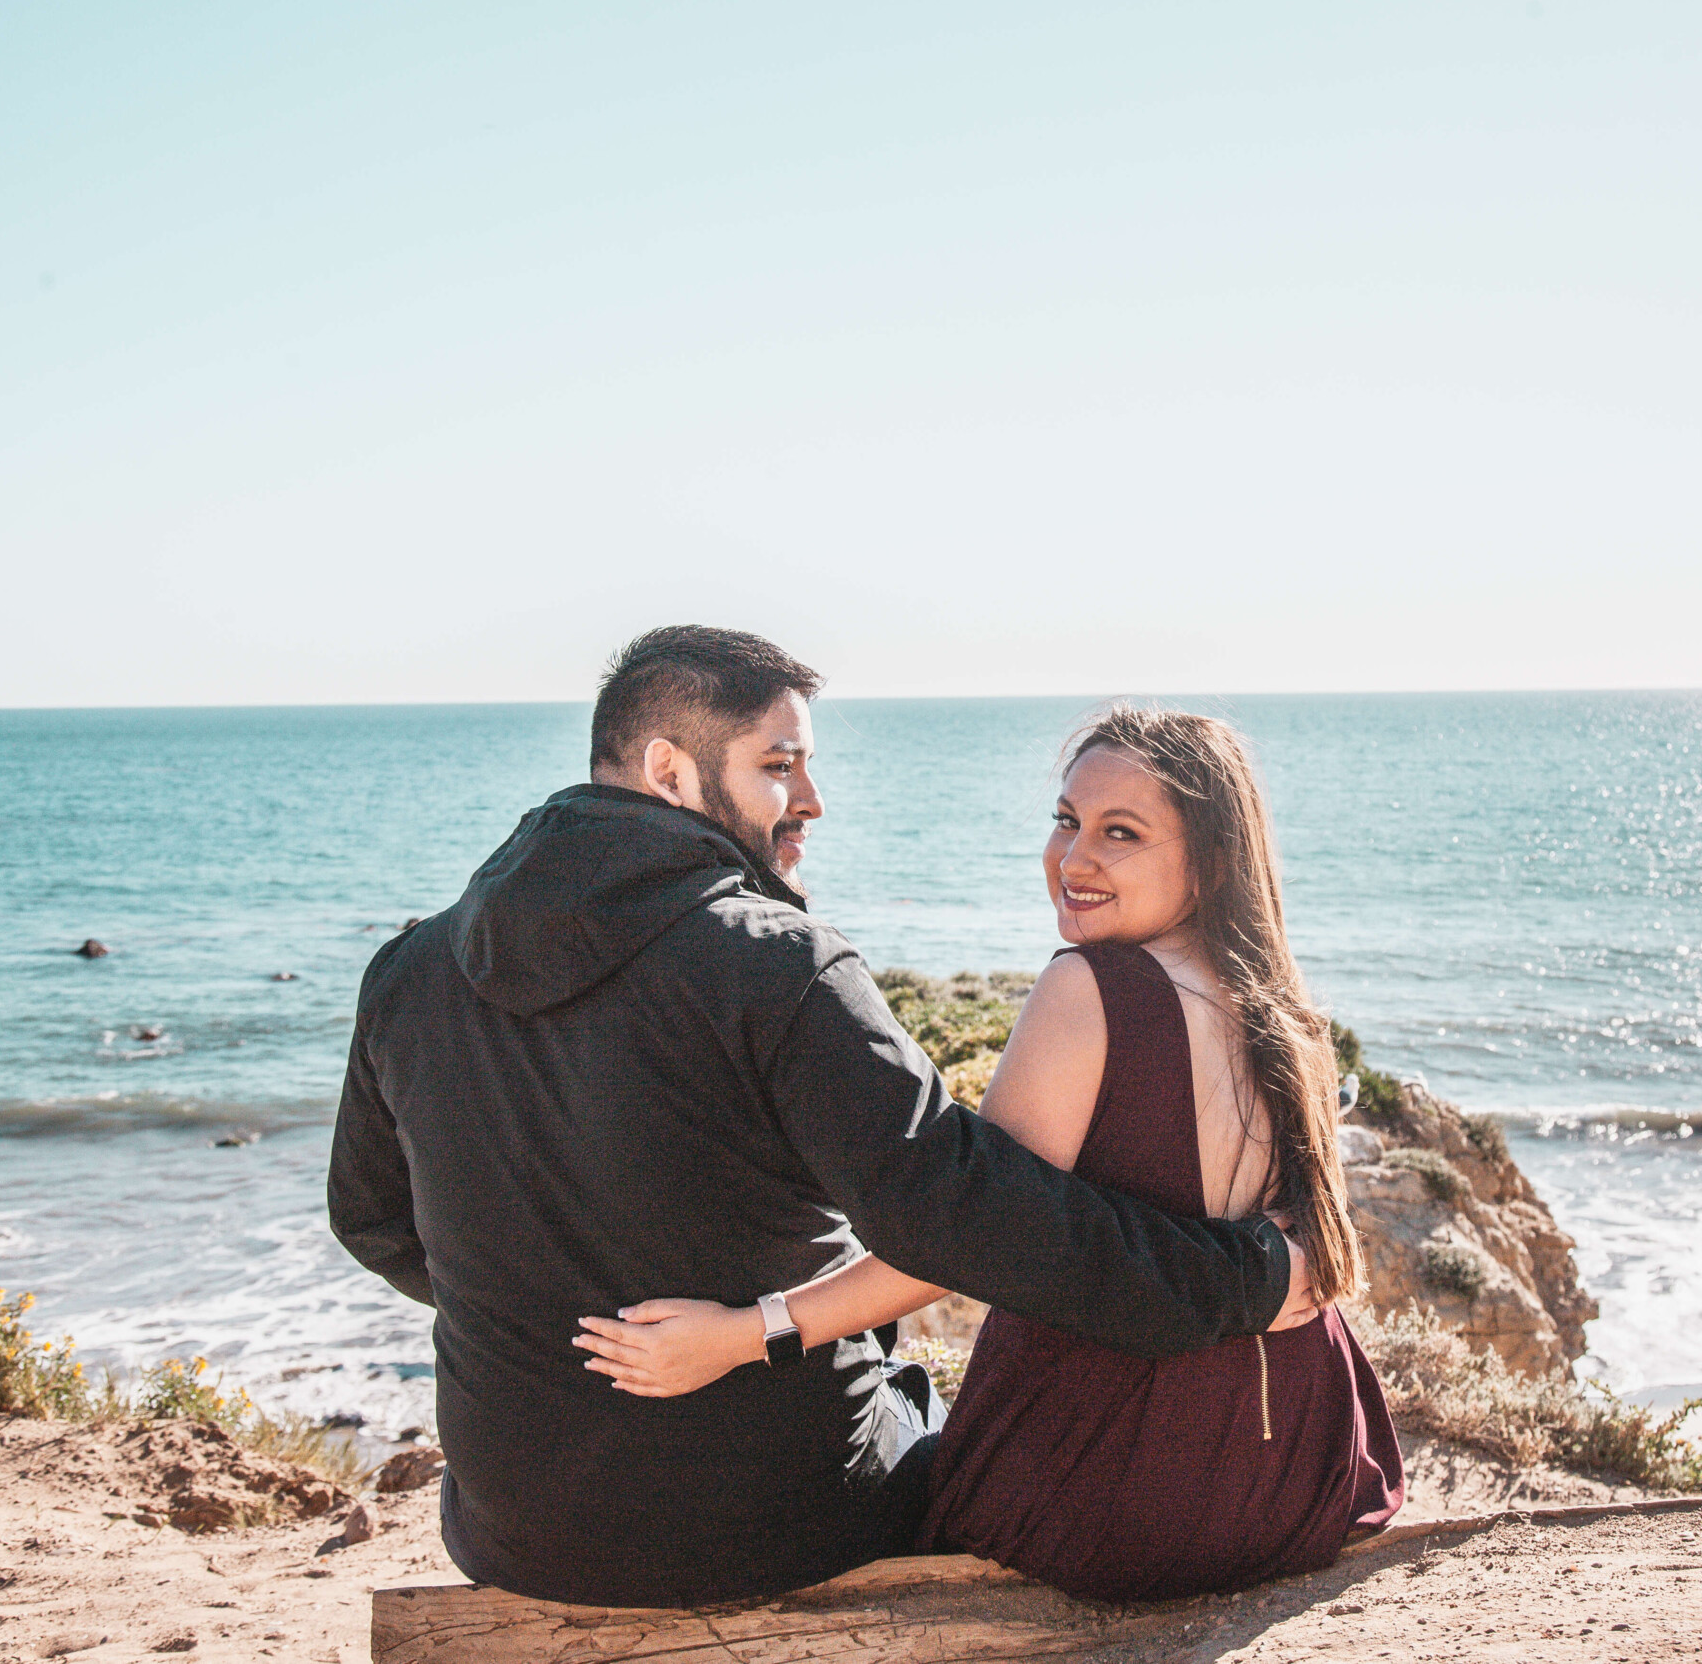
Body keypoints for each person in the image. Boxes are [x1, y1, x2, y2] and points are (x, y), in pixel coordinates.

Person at [329, 627, 1314, 1610]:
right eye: (778, 765)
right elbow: (963, 1219)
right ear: (668, 769)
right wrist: (1247, 1276)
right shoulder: (779, 964)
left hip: (512, 1530)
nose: (810, 799)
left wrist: (545, 1310)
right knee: (926, 1413)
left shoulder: (408, 970)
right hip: (774, 1523)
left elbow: (372, 1222)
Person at [580, 705, 1403, 1602]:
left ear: (1208, 862)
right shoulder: (1284, 1010)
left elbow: (957, 1241)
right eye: (1066, 819)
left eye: (1119, 832)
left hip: (1126, 1501)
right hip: (1308, 1476)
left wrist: (745, 1334)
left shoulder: (1087, 989)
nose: (1074, 856)